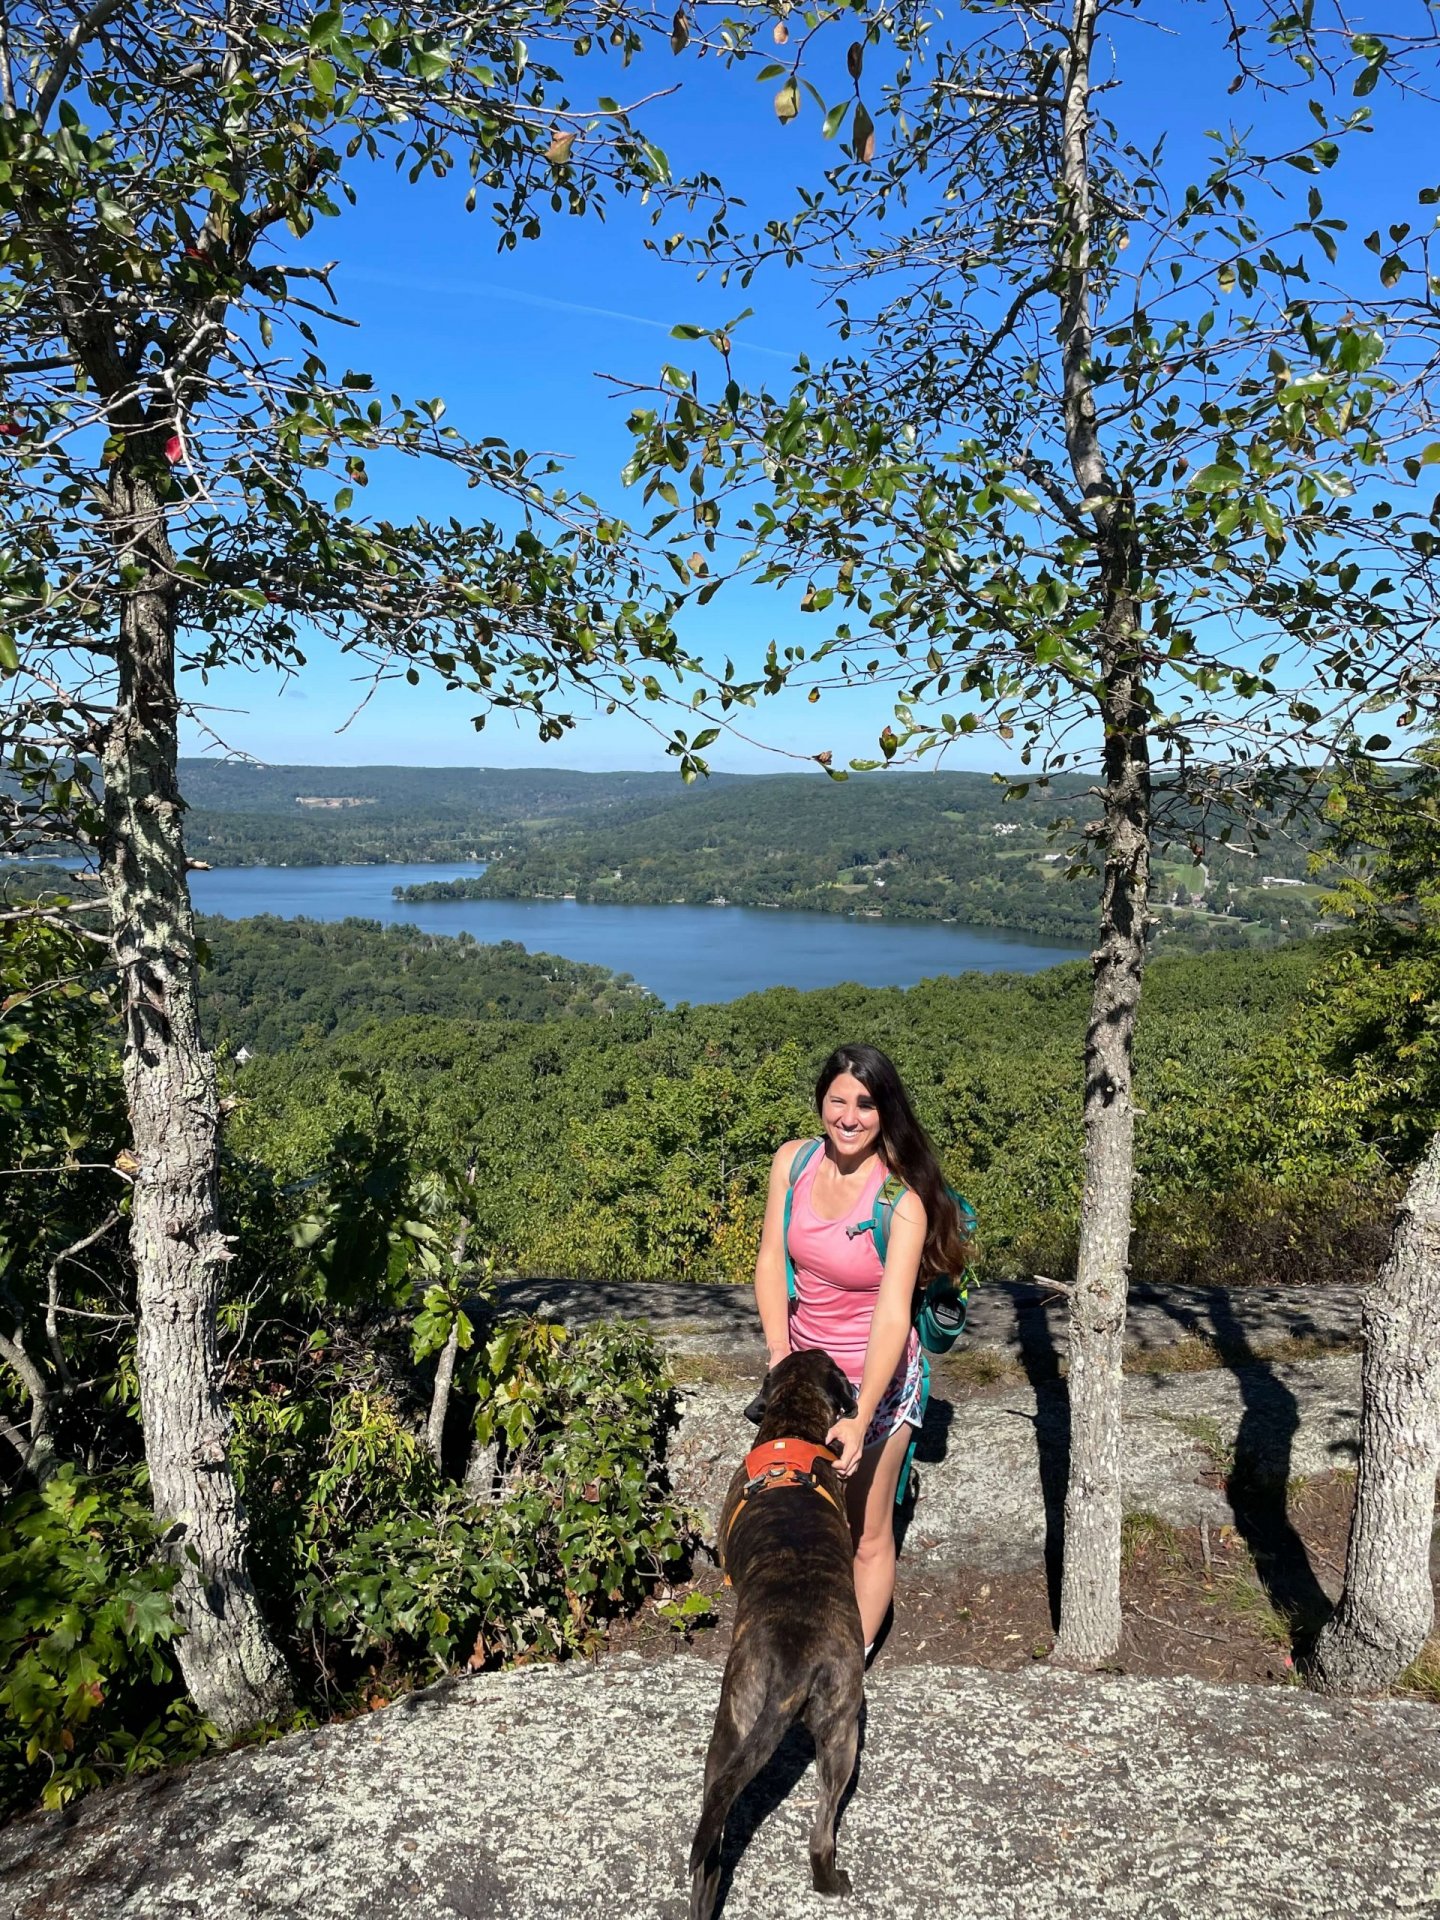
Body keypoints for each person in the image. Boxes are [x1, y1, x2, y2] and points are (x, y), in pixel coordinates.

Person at [753, 1043, 970, 1658]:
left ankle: (847, 1663)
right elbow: (772, 1258)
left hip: (872, 1383)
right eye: (838, 1101)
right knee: (803, 1520)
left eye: (866, 1104)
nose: (849, 1117)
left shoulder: (899, 1202)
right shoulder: (792, 1164)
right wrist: (778, 1356)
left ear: (886, 1112)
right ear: (821, 1102)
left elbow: (893, 1313)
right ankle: (801, 1637)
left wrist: (863, 1409)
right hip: (802, 1379)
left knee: (864, 1531)